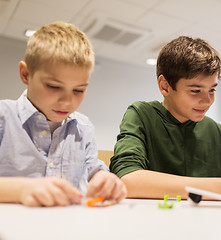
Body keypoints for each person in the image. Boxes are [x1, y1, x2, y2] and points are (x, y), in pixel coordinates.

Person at [110, 36, 221, 202]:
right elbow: (128, 179)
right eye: (195, 90)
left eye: (212, 90)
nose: (207, 100)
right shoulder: (141, 115)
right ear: (165, 86)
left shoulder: (215, 131)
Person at [0, 22, 127, 207]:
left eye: (78, 90)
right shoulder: (4, 117)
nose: (67, 102)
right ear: (26, 74)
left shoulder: (83, 127)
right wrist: (21, 189)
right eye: (53, 86)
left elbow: (95, 171)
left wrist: (107, 181)